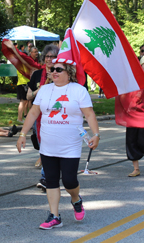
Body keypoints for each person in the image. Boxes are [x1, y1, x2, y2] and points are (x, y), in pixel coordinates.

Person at [16, 57, 100, 230]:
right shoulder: (45, 90)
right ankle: (55, 216)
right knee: (51, 181)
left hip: (70, 145)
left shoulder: (78, 91)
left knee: (69, 181)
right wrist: (22, 133)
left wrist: (96, 134)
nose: (54, 71)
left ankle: (76, 199)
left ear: (69, 73)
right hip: (48, 145)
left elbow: (89, 114)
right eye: (52, 69)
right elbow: (33, 113)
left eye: (59, 69)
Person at [26, 44, 59, 189]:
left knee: (50, 147)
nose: (50, 59)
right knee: (43, 147)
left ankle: (46, 177)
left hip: (55, 116)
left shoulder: (61, 74)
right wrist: (40, 89)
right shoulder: (37, 75)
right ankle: (51, 174)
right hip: (38, 116)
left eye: (53, 56)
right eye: (47, 56)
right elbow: (28, 95)